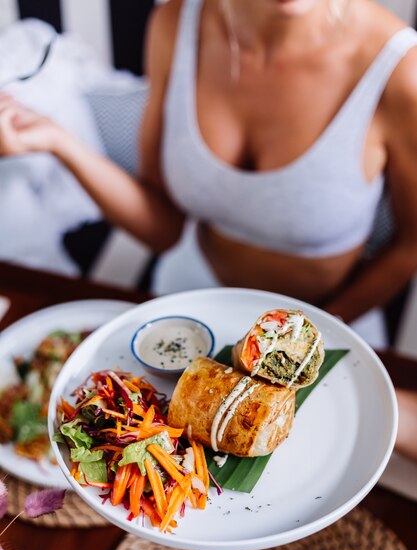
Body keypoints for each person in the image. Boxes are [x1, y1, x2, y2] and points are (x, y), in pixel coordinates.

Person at [1, 0, 417, 458]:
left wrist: (328, 331)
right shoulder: (177, 24)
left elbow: (410, 246)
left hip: (332, 326)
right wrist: (60, 143)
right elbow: (165, 228)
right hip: (187, 312)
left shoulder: (400, 69)